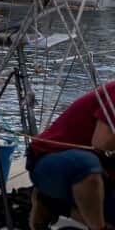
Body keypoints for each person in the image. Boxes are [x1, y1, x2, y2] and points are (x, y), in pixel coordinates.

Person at [27, 81, 115, 229]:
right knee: (86, 165)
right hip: (49, 159)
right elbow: (101, 142)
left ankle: (52, 204)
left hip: (101, 170)